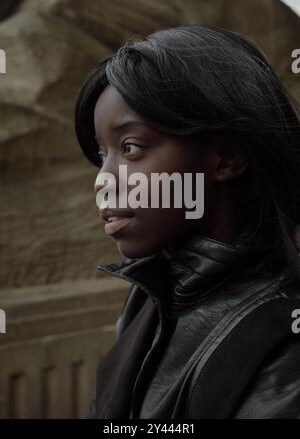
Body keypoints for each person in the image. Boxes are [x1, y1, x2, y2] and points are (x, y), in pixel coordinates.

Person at [75, 25, 300, 419]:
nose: (103, 180)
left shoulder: (285, 343)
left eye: (130, 148)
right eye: (102, 153)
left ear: (227, 157)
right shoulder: (149, 297)